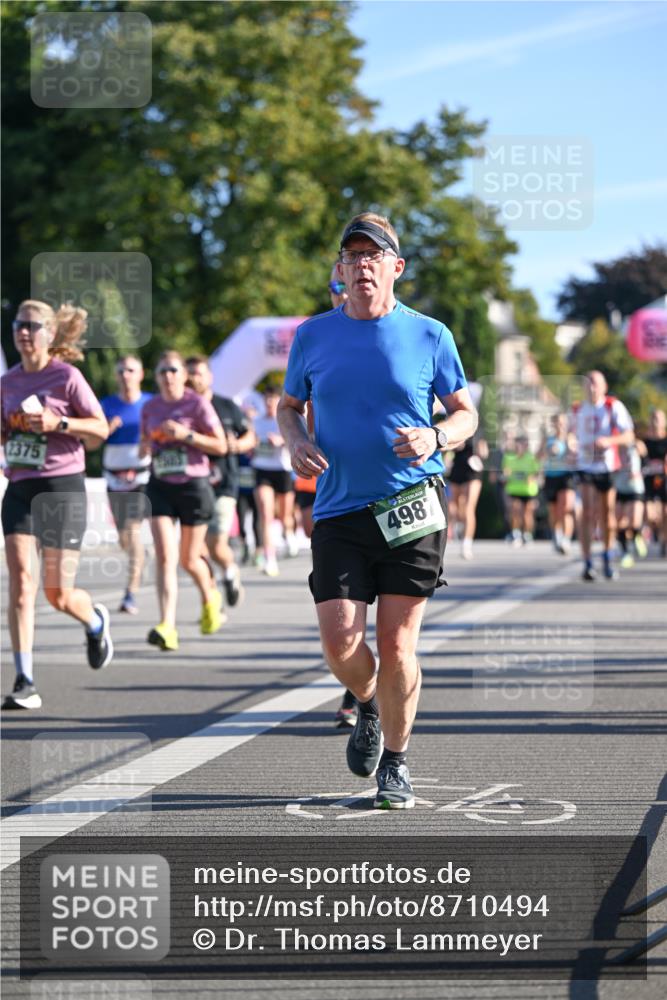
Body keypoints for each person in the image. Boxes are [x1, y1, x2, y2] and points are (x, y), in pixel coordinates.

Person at [278, 212, 477, 809]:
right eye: (352, 257)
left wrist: (437, 437)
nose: (362, 266)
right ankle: (368, 700)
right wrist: (294, 440)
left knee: (397, 645)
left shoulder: (430, 335)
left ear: (396, 268)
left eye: (374, 256)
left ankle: (396, 760)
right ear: (339, 270)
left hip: (412, 506)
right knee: (340, 643)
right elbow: (289, 405)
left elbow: (466, 414)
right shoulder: (313, 335)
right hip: (339, 507)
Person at [1, 300, 113, 710]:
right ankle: (24, 679)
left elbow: (99, 429)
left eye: (32, 326)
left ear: (49, 333)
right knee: (20, 584)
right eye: (18, 325)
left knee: (57, 593)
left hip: (62, 487)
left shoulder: (66, 377)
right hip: (20, 487)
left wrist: (58, 423)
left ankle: (95, 621)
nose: (23, 332)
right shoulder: (8, 381)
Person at [140, 350, 228, 650]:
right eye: (162, 371)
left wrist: (186, 435)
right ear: (156, 376)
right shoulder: (150, 407)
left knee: (189, 559)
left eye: (173, 370)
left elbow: (221, 445)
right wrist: (147, 445)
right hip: (160, 484)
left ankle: (210, 596)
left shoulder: (197, 403)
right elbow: (144, 444)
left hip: (193, 485)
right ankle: (167, 625)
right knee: (165, 554)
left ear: (183, 375)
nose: (167, 376)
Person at [186, 355, 256, 611]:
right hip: (189, 485)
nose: (194, 378)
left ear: (210, 377)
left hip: (222, 485)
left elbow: (250, 436)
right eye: (190, 373)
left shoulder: (226, 406)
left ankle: (229, 571)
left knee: (216, 545)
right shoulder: (180, 408)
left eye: (199, 373)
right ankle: (210, 594)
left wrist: (237, 445)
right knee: (195, 549)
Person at [92, 355, 152, 614]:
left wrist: (150, 442)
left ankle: (130, 594)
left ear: (140, 373)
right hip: (114, 476)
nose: (125, 375)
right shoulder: (105, 405)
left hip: (142, 476)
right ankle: (139, 559)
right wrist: (104, 430)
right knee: (123, 539)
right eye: (121, 371)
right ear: (116, 376)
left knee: (133, 531)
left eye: (130, 370)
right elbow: (89, 445)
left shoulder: (151, 404)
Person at [571, 370, 634, 581]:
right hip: (585, 466)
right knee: (587, 512)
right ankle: (588, 561)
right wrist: (570, 445)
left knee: (607, 514)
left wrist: (609, 442)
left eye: (595, 383)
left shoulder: (612, 406)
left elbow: (629, 435)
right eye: (588, 383)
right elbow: (568, 433)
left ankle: (607, 555)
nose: (591, 387)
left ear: (604, 387)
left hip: (607, 467)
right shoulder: (577, 409)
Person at [252, 383, 297, 577]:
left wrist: (281, 441)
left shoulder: (284, 418)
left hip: (282, 469)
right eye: (266, 400)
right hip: (262, 469)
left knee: (284, 516)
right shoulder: (256, 421)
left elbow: (296, 440)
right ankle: (270, 558)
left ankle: (288, 533)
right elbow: (250, 442)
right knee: (265, 513)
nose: (269, 403)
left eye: (272, 399)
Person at [445, 434, 488, 560]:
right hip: (456, 468)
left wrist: (481, 450)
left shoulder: (477, 434)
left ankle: (466, 544)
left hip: (472, 471)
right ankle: (457, 527)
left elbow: (484, 453)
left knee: (469, 507)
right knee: (453, 507)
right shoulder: (455, 428)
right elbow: (448, 448)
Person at [540, 413, 577, 554]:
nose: (560, 425)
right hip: (551, 476)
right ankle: (557, 534)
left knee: (566, 507)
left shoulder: (570, 437)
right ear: (553, 424)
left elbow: (576, 454)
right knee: (554, 510)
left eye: (562, 422)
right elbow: (538, 456)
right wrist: (546, 451)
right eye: (557, 422)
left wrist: (570, 449)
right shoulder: (547, 439)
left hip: (566, 476)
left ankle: (566, 540)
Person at [502, 434, 540, 545]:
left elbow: (537, 472)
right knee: (515, 511)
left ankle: (527, 534)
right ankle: (516, 533)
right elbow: (505, 471)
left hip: (529, 490)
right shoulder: (509, 457)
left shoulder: (532, 458)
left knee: (527, 514)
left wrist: (531, 478)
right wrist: (506, 475)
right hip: (514, 489)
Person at [614, 437, 646, 568]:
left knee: (634, 521)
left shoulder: (637, 445)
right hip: (620, 487)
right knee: (620, 522)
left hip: (635, 488)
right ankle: (625, 552)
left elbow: (646, 457)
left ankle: (637, 536)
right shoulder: (614, 447)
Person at [640, 408, 667, 556]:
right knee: (651, 515)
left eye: (659, 418)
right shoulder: (645, 442)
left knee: (665, 512)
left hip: (664, 480)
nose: (656, 421)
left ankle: (664, 541)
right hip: (649, 480)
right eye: (654, 418)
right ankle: (654, 532)